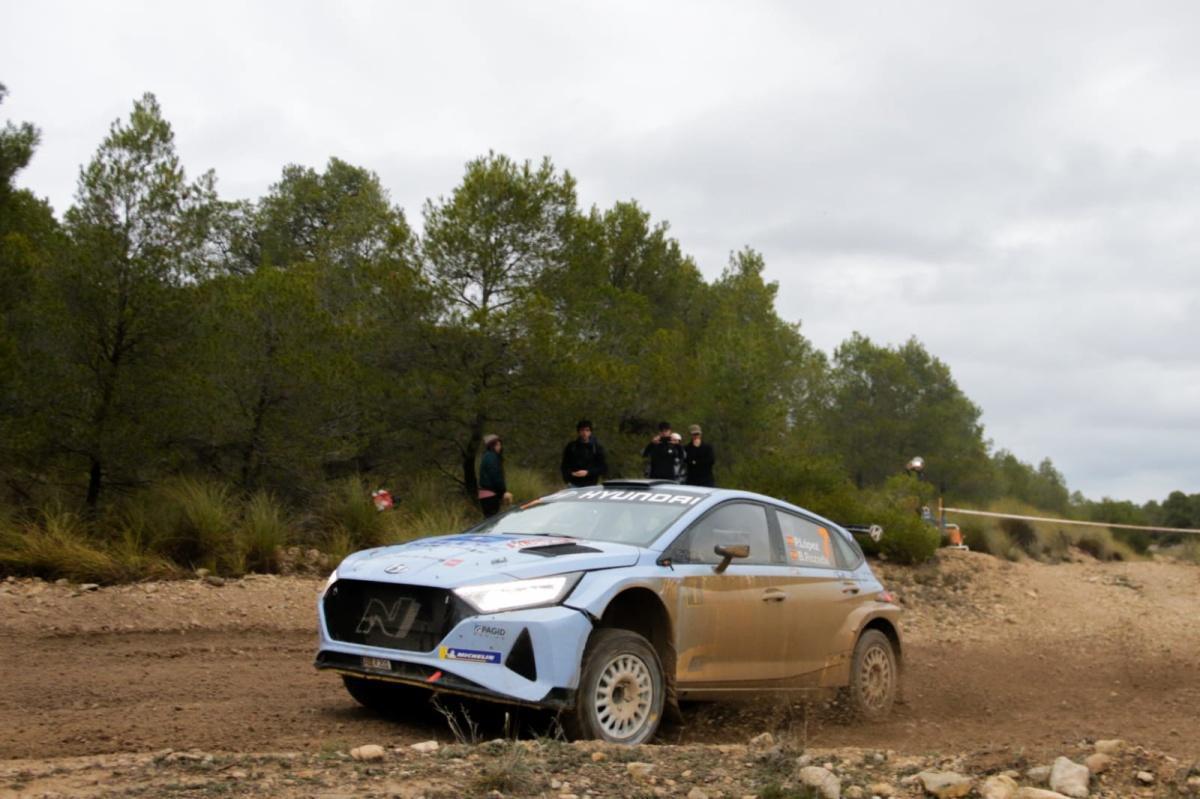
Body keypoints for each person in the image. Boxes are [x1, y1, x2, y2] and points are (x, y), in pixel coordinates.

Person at [561, 419, 607, 487]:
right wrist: (570, 475)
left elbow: (603, 468)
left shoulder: (597, 448)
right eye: (582, 430)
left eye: (587, 430)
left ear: (590, 432)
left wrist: (588, 472)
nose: (584, 433)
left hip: (591, 485)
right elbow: (564, 466)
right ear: (578, 432)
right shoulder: (571, 447)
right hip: (573, 484)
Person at [478, 434, 512, 517]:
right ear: (493, 446)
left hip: (485, 494)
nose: (500, 447)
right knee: (493, 522)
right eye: (498, 445)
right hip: (491, 495)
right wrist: (503, 492)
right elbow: (496, 477)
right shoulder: (492, 458)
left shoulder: (486, 456)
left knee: (488, 520)